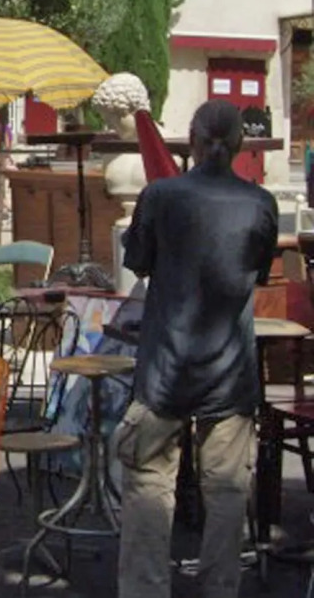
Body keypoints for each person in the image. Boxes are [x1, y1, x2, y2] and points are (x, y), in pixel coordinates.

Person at [116, 99, 279, 598]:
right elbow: (259, 271)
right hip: (230, 370)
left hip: (165, 365)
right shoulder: (261, 204)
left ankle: (146, 590)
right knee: (227, 494)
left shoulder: (160, 196)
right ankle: (219, 589)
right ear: (239, 145)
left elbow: (139, 261)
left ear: (192, 137)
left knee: (148, 486)